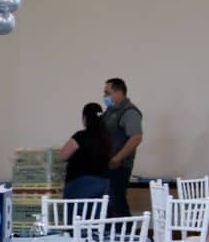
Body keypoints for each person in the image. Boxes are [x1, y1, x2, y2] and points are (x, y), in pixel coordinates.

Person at [100, 77, 144, 218]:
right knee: (108, 204)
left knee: (117, 203)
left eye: (107, 93)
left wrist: (117, 158)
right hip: (106, 165)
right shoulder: (110, 111)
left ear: (119, 92)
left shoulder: (129, 112)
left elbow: (136, 137)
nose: (105, 96)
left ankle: (128, 235)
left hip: (119, 166)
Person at [57, 103, 112, 200]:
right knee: (96, 214)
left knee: (76, 214)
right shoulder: (106, 138)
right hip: (103, 184)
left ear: (85, 118)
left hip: (80, 185)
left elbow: (63, 155)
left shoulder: (81, 136)